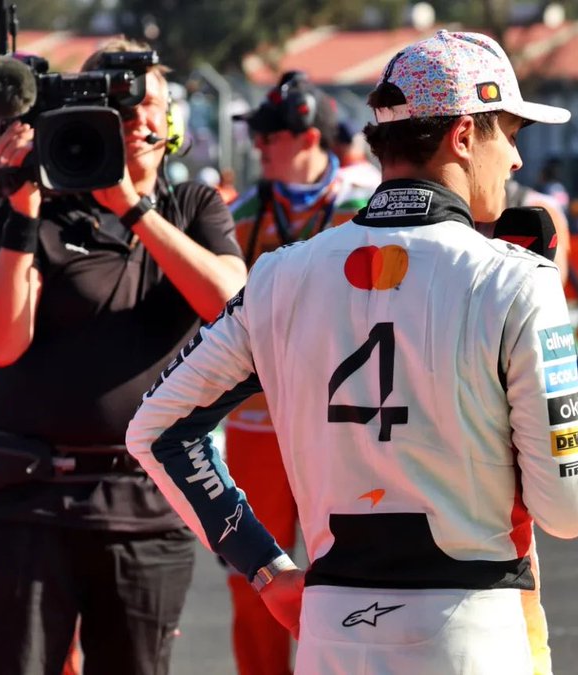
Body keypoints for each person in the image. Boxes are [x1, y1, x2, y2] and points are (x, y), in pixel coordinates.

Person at [127, 29, 578, 675]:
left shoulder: (281, 274)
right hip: (473, 632)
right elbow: (570, 509)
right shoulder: (516, 278)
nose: (517, 160)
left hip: (333, 631)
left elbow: (158, 429)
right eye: (511, 133)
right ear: (465, 135)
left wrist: (264, 568)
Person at [0, 38, 246, 675]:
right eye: (120, 108)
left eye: (152, 105)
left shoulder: (193, 207)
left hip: (146, 508)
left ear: (172, 124)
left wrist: (132, 207)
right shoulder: (38, 207)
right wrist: (19, 216)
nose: (139, 119)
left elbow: (232, 302)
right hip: (25, 502)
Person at [225, 69, 378, 675]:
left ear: (309, 135)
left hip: (342, 424)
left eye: (271, 134)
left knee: (350, 578)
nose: (258, 144)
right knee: (253, 578)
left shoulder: (366, 205)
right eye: (257, 134)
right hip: (256, 424)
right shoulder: (238, 215)